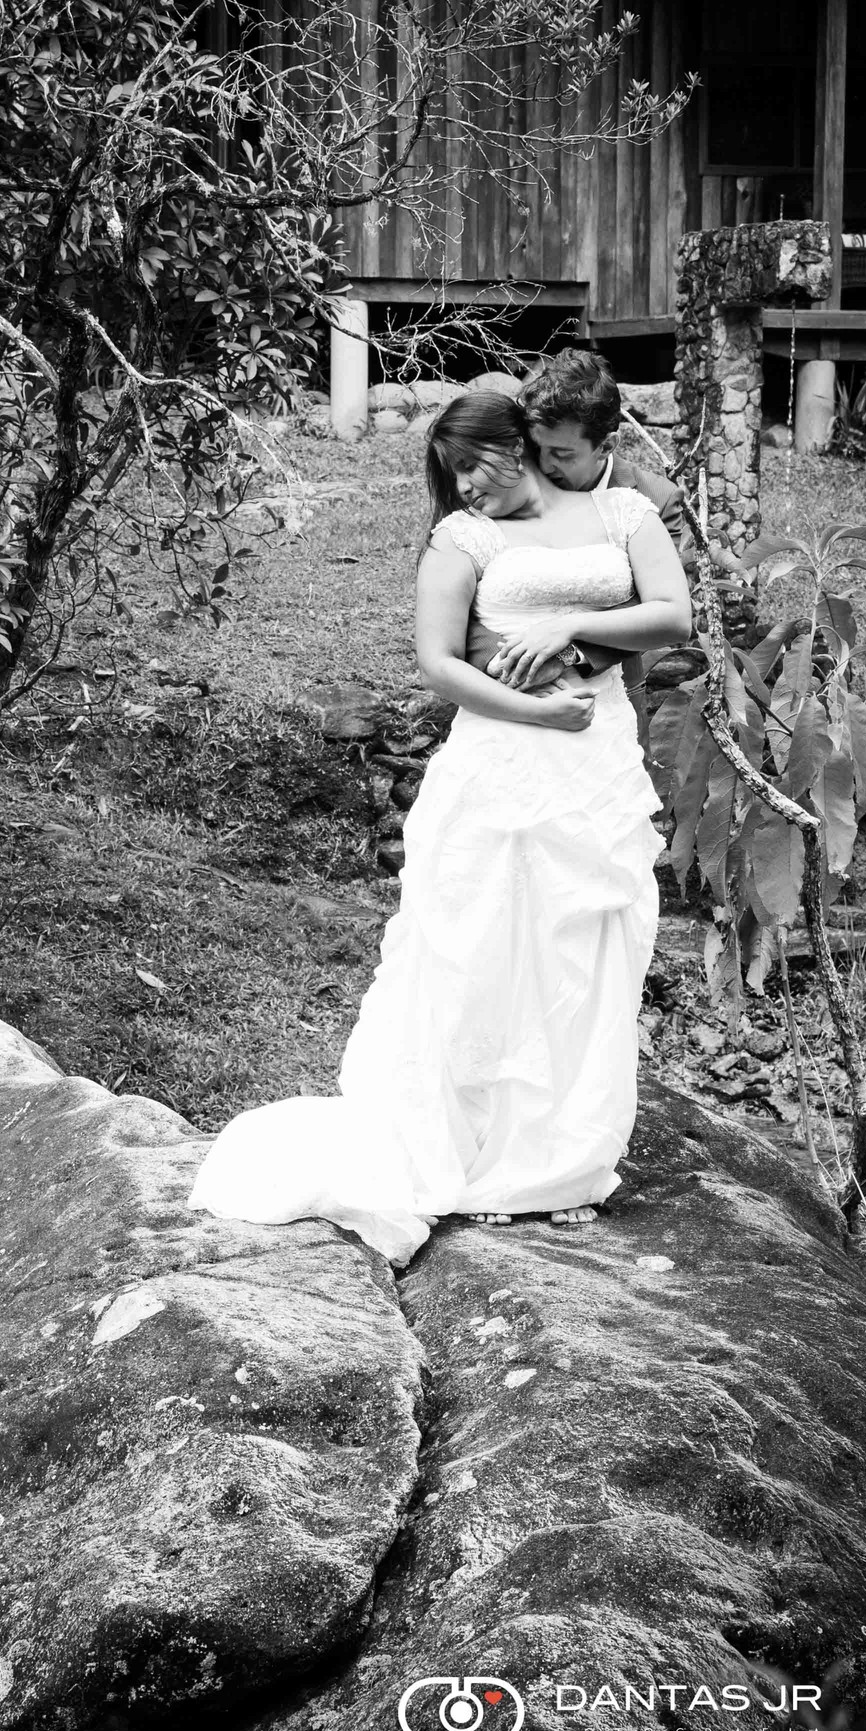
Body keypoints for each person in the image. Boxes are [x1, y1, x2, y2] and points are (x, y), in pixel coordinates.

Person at [187, 389, 692, 1267]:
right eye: (450, 473)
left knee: (584, 948)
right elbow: (438, 665)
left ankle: (559, 1166)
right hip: (503, 760)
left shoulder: (620, 510)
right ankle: (474, 1156)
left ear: (522, 443)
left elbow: (673, 616)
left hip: (596, 763)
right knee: (483, 946)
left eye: (475, 464)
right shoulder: (462, 541)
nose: (463, 487)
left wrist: (574, 626)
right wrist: (537, 719)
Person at [467, 350, 687, 744]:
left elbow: (652, 609)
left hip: (604, 698)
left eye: (563, 455)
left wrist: (563, 650)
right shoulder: (510, 481)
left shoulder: (653, 498)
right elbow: (460, 593)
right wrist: (508, 663)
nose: (544, 466)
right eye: (538, 448)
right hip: (501, 694)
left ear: (607, 445)